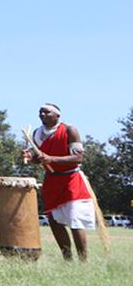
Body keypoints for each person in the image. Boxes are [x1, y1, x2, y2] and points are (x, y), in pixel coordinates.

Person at [24, 103, 95, 261]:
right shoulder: (37, 133)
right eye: (40, 112)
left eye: (46, 112)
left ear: (57, 115)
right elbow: (38, 158)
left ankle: (83, 261)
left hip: (71, 180)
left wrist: (51, 158)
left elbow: (78, 157)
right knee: (54, 221)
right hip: (51, 181)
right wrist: (31, 157)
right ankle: (67, 259)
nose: (42, 115)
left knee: (75, 220)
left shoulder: (70, 130)